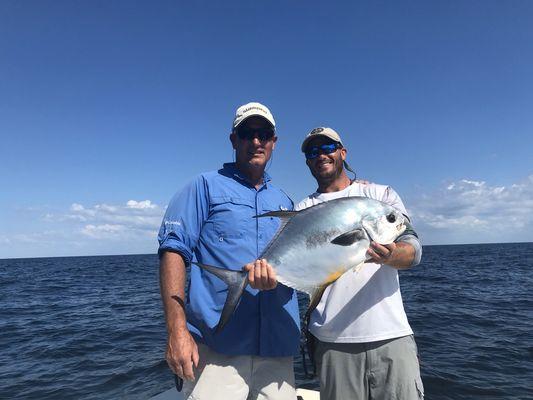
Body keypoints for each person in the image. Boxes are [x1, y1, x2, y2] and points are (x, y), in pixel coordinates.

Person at [157, 102, 300, 400]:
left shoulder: (286, 201)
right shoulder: (203, 187)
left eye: (264, 133)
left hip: (278, 350)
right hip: (218, 349)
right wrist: (177, 331)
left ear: (274, 142)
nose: (256, 141)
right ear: (234, 140)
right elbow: (173, 250)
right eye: (247, 133)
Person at [297, 127, 424, 400]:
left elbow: (413, 249)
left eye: (328, 147)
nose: (322, 155)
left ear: (342, 152)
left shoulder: (379, 196)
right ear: (308, 160)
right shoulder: (302, 208)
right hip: (332, 342)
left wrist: (391, 255)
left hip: (391, 336)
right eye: (313, 151)